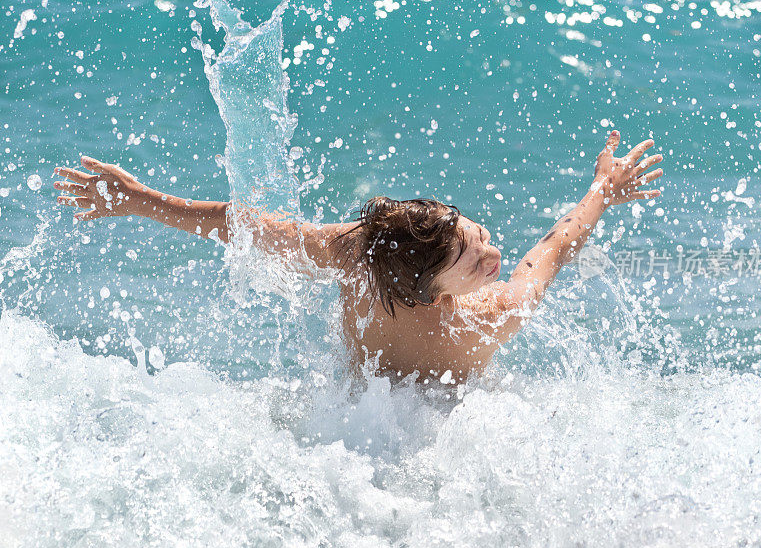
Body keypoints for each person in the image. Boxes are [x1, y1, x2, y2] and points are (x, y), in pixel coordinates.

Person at [54, 130, 662, 383]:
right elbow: (553, 249)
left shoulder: (358, 256)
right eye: (474, 262)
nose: (494, 254)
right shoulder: (487, 318)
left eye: (478, 237)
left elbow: (246, 229)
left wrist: (139, 200)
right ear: (430, 291)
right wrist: (603, 191)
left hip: (359, 415)